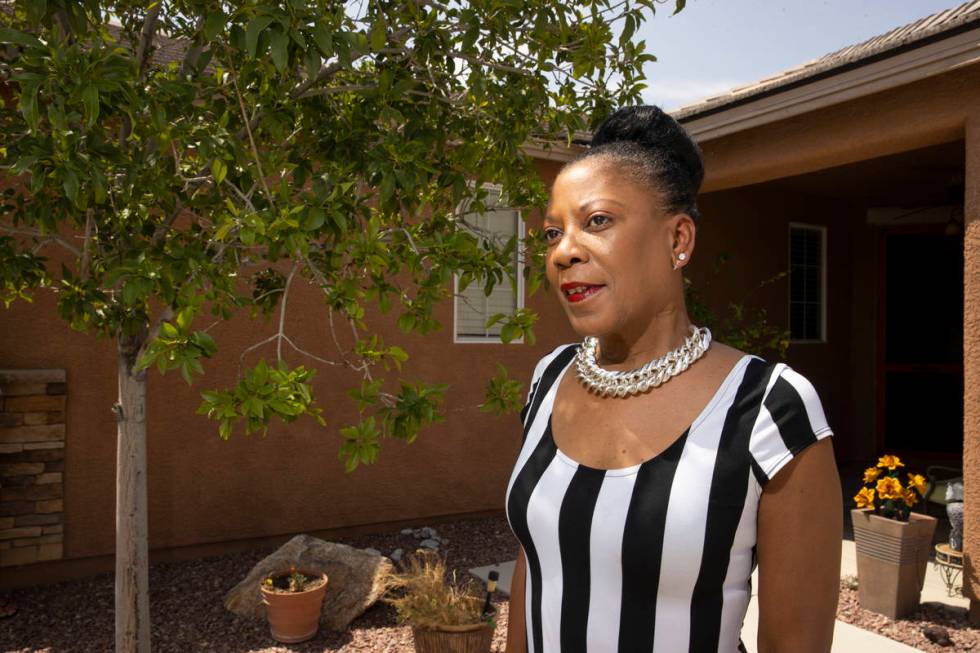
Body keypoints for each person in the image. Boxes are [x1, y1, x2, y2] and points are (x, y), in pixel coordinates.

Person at [504, 105, 842, 653]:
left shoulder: (769, 410)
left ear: (677, 239)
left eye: (597, 221)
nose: (563, 251)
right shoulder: (549, 380)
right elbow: (536, 560)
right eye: (552, 232)